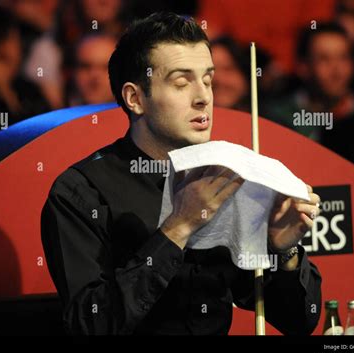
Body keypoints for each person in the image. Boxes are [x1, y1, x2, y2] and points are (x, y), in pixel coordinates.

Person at [41, 12, 322, 335]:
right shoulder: (80, 192)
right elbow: (90, 325)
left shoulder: (227, 178)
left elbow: (300, 321)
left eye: (207, 80)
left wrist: (281, 251)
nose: (203, 98)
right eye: (181, 82)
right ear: (135, 98)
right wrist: (178, 228)